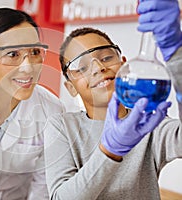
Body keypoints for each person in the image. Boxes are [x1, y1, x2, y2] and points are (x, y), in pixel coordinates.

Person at [44, 0, 182, 199]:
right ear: (71, 87)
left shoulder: (146, 123)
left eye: (107, 57)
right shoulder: (62, 127)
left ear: (124, 65)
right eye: (81, 67)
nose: (98, 67)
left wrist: (177, 55)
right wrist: (109, 151)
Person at [0, 8, 64, 200]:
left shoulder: (52, 110)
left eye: (35, 52)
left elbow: (43, 183)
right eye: (12, 54)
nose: (28, 68)